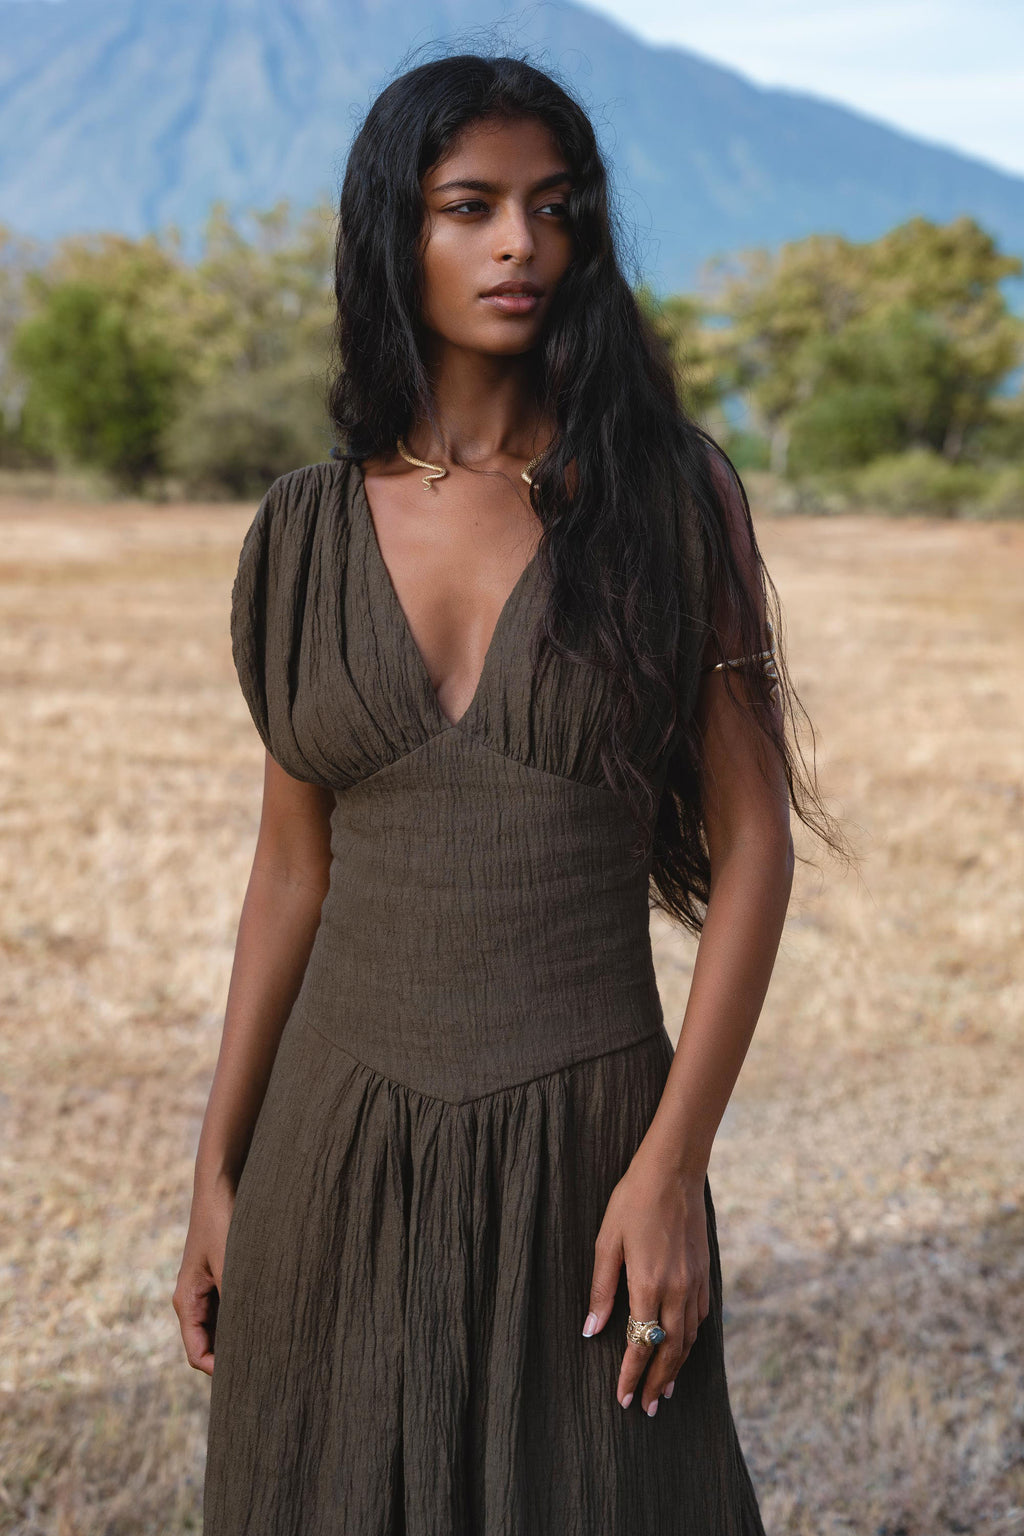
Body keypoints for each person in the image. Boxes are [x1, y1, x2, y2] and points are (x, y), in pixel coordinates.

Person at [175, 50, 838, 1535]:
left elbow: (754, 848)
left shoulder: (669, 495)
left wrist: (673, 1165)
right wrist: (218, 1167)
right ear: (392, 234)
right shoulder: (304, 530)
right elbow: (291, 873)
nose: (519, 246)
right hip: (329, 1153)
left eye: (553, 209)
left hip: (588, 1151)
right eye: (469, 207)